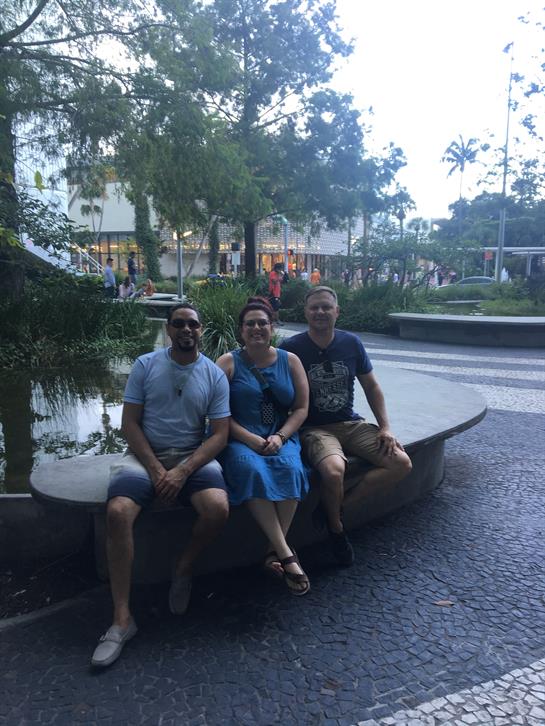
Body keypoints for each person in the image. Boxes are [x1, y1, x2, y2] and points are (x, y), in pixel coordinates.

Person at [91, 303, 230, 668]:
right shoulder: (145, 365)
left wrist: (183, 470)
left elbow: (219, 434)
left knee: (217, 508)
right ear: (168, 329)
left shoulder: (214, 374)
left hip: (190, 455)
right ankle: (122, 620)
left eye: (193, 324)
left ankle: (183, 566)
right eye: (178, 323)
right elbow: (129, 424)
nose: (186, 329)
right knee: (118, 512)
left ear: (201, 329)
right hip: (144, 456)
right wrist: (155, 469)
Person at [280, 286, 412, 567]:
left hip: (351, 423)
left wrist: (385, 427)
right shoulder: (291, 348)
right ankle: (337, 530)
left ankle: (334, 508)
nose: (320, 312)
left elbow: (372, 386)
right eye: (314, 307)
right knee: (333, 470)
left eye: (326, 307)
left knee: (401, 464)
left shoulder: (351, 343)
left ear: (337, 311)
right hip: (314, 428)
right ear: (305, 312)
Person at [216, 298, 311, 596]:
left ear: (272, 327)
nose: (256, 328)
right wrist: (249, 439)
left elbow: (301, 408)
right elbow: (217, 413)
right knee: (250, 469)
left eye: (262, 323)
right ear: (241, 330)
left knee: (292, 468)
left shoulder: (290, 361)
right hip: (240, 436)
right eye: (250, 324)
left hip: (280, 435)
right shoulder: (227, 363)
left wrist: (281, 437)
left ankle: (274, 551)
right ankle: (286, 555)